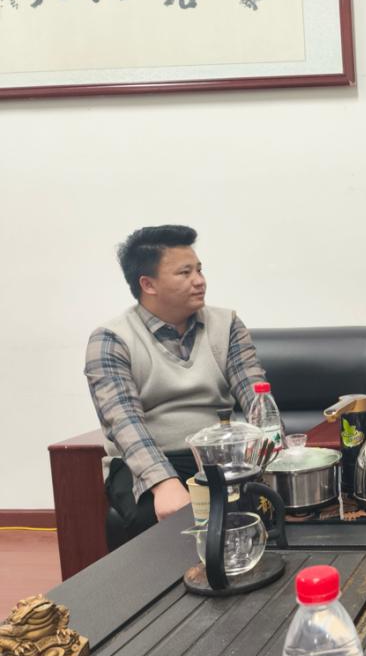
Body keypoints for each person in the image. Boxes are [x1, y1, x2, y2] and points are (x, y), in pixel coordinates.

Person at [85, 225, 268, 544]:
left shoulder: (226, 325)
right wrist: (163, 482)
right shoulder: (111, 339)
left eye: (199, 269)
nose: (199, 280)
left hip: (217, 454)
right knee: (151, 519)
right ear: (148, 284)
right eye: (185, 272)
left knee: (261, 504)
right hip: (147, 457)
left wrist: (270, 451)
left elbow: (256, 396)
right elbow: (124, 422)